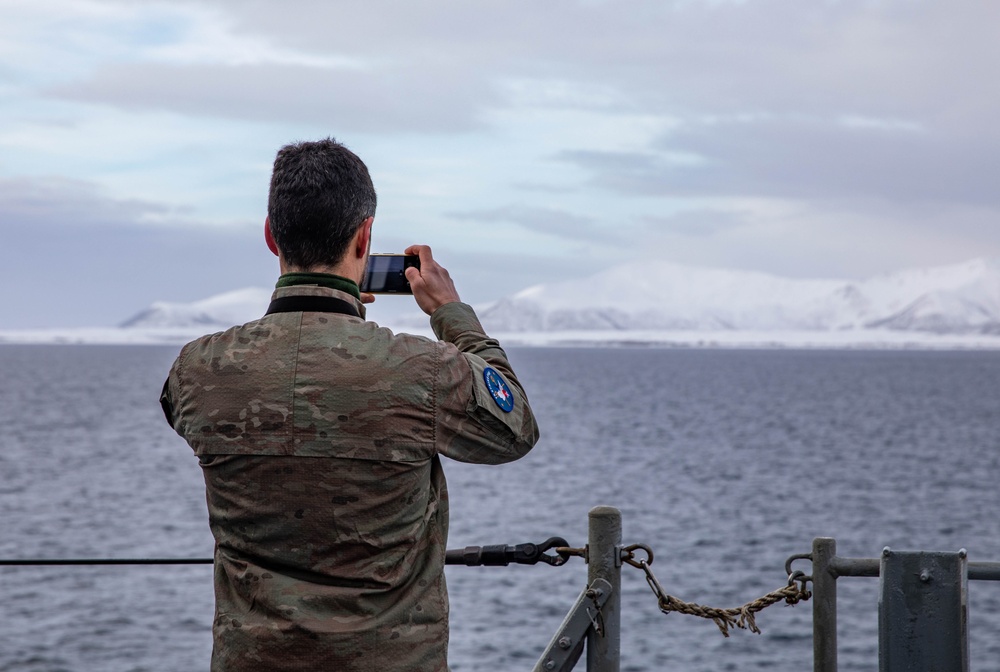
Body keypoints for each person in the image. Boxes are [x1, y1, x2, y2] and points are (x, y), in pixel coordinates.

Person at [160, 137, 539, 671]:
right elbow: (515, 428)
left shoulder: (198, 368)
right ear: (365, 236)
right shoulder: (422, 370)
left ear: (272, 236)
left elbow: (217, 402)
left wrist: (306, 324)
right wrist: (452, 315)